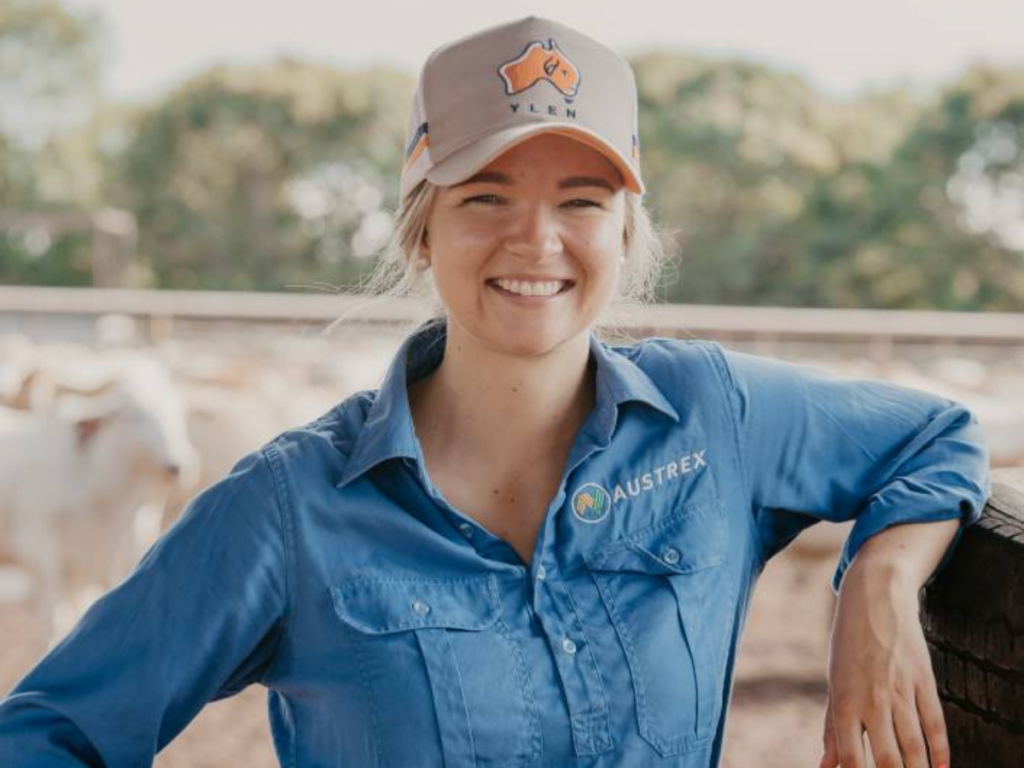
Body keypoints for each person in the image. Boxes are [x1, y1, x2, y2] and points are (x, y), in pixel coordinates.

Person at [0, 15, 991, 768]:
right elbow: (48, 731)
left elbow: (935, 437)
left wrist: (877, 584)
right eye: (486, 198)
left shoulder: (713, 416)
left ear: (624, 234)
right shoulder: (291, 506)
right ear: (420, 230)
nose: (537, 242)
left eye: (581, 203)